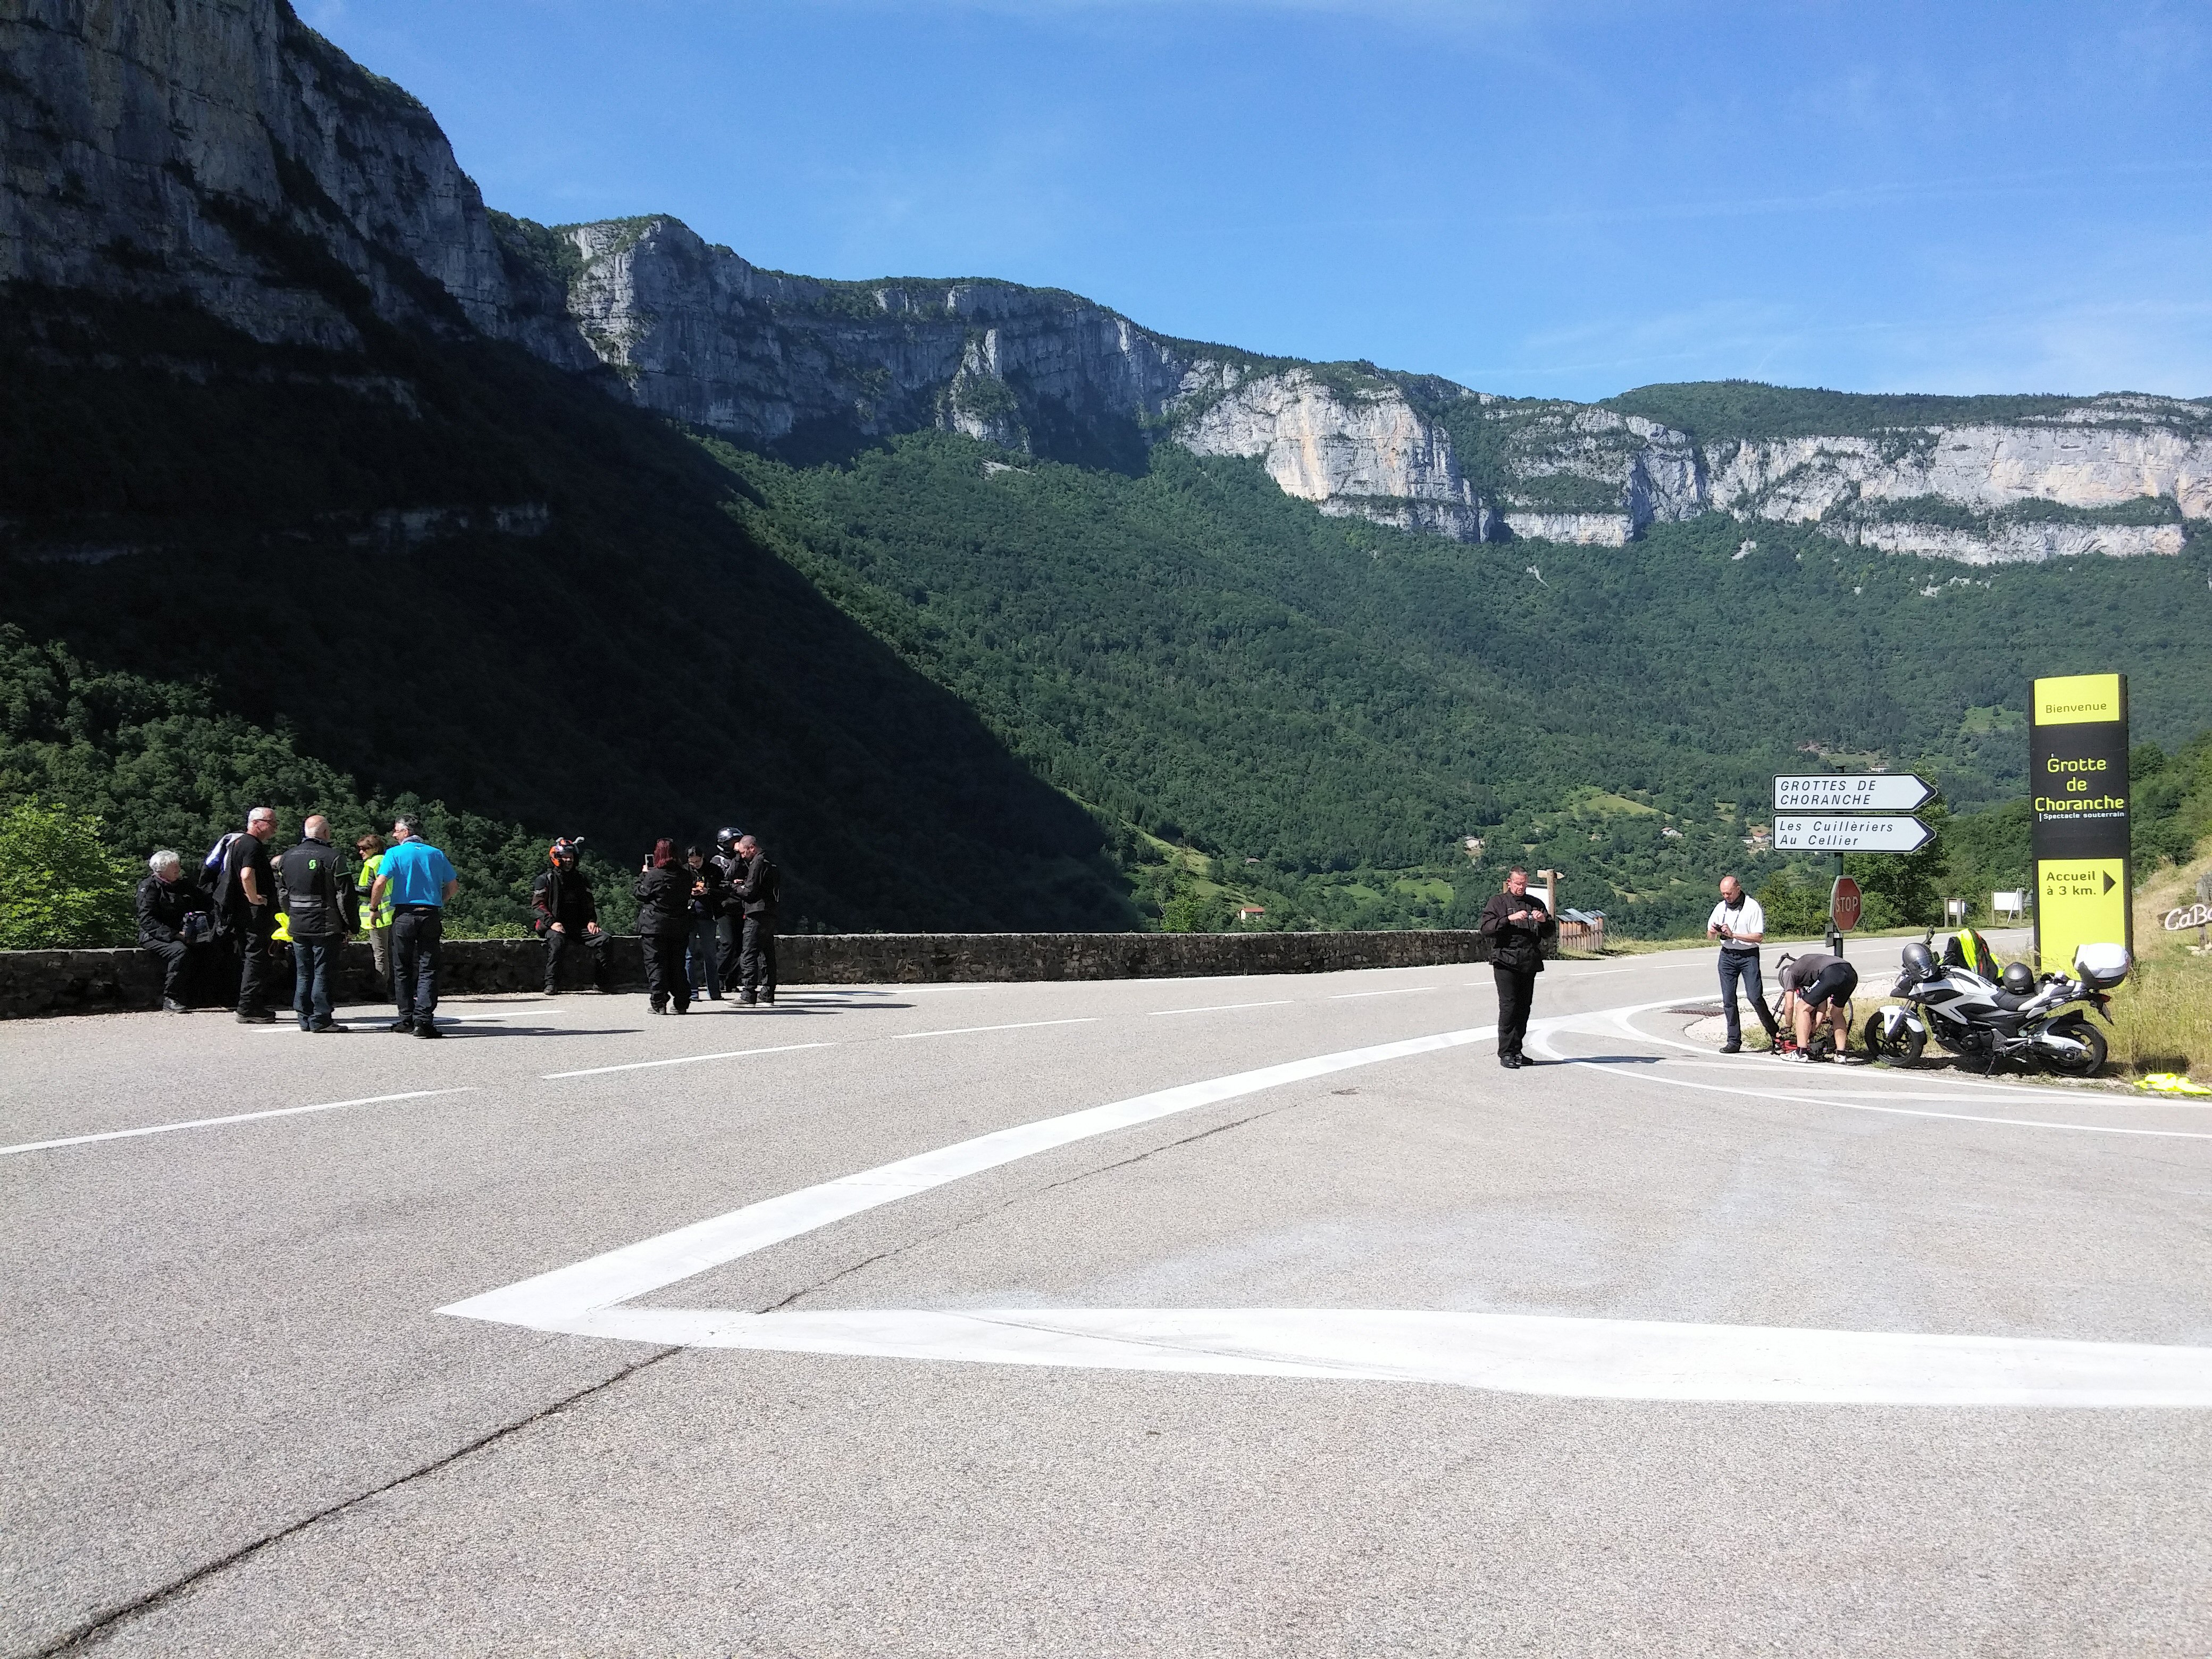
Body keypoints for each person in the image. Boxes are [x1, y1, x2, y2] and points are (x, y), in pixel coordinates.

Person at [369, 815, 458, 1036]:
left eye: (396, 831)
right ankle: (424, 1022)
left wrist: (374, 908)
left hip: (404, 915)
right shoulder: (436, 854)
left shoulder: (394, 854)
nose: (394, 835)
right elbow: (453, 886)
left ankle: (406, 1019)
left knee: (402, 967)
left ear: (406, 832)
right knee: (428, 967)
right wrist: (438, 901)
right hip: (429, 915)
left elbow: (380, 883)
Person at [279, 814, 353, 1033]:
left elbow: (282, 893)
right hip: (325, 925)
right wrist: (350, 925)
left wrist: (291, 915)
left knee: (303, 972)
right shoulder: (333, 857)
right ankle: (321, 1019)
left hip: (298, 924)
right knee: (322, 972)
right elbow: (345, 895)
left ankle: (304, 1018)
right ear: (326, 833)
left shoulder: (287, 857)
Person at [1479, 867, 1555, 1069]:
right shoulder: (1498, 903)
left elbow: (1549, 932)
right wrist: (1508, 919)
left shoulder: (1536, 904)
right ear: (1509, 883)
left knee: (1524, 1008)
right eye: (1518, 883)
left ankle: (1517, 1051)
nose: (1521, 887)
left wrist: (1543, 920)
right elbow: (1486, 929)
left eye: (1524, 884)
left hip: (1528, 961)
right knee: (1509, 1007)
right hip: (1505, 960)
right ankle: (1505, 1052)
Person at [219, 807, 281, 1024]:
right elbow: (247, 875)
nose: (275, 828)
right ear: (256, 823)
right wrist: (254, 898)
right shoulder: (252, 845)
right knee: (257, 957)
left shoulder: (238, 843)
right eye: (271, 823)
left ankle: (251, 1005)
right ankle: (248, 1007)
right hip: (253, 913)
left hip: (240, 911)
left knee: (249, 956)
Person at [1706, 874, 1779, 1054]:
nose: (1726, 897)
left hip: (1748, 956)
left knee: (1755, 997)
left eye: (1729, 893)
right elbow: (1709, 936)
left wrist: (1733, 934)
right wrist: (1714, 932)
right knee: (1728, 1000)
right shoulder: (1720, 907)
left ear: (1738, 889)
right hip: (1727, 955)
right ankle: (1733, 1041)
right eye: (1723, 894)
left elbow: (1758, 937)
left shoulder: (1752, 907)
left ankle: (1775, 1034)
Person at [137, 850, 213, 1012]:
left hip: (185, 932)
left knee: (212, 947)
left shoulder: (184, 885)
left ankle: (205, 996)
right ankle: (171, 998)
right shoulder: (149, 887)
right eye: (174, 867)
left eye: (178, 865)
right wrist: (175, 935)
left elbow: (205, 901)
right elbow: (147, 920)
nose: (178, 869)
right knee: (180, 952)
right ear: (161, 870)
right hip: (154, 935)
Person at [532, 839, 609, 994]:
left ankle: (602, 983)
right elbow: (538, 906)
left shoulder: (581, 879)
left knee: (605, 939)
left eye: (571, 857)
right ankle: (551, 983)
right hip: (553, 925)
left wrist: (591, 921)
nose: (569, 860)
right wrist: (552, 923)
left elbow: (589, 903)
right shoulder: (545, 879)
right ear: (557, 858)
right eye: (565, 857)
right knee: (557, 941)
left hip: (578, 926)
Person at [633, 839, 693, 1015]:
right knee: (677, 964)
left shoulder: (654, 876)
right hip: (679, 925)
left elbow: (640, 893)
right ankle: (682, 1002)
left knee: (656, 964)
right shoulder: (685, 875)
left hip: (654, 926)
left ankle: (659, 1003)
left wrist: (643, 875)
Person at [1775, 950, 1859, 1062]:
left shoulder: (1789, 974)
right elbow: (1822, 1008)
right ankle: (1841, 1055)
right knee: (1836, 1013)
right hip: (1850, 973)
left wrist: (1788, 1025)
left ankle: (1801, 1053)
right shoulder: (1808, 969)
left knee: (1801, 1008)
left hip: (1832, 973)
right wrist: (1813, 1029)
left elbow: (1789, 1005)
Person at [729, 832, 780, 1006]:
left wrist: (734, 887)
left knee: (749, 953)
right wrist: (744, 884)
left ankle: (748, 994)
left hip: (756, 912)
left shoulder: (758, 862)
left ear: (752, 848)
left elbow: (750, 892)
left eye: (743, 852)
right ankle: (767, 994)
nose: (742, 856)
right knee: (767, 955)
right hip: (770, 912)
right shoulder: (769, 860)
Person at [683, 845, 725, 1002]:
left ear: (703, 857)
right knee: (689, 956)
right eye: (692, 862)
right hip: (689, 916)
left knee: (710, 955)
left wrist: (709, 891)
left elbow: (724, 891)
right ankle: (692, 992)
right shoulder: (684, 871)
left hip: (708, 916)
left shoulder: (714, 870)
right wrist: (689, 892)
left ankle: (714, 992)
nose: (695, 865)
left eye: (698, 861)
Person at [355, 832, 393, 994]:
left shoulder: (372, 864)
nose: (361, 852)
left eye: (365, 849)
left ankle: (380, 990)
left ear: (375, 848)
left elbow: (369, 889)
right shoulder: (387, 860)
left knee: (380, 953)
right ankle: (393, 989)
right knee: (390, 952)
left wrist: (349, 888)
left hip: (378, 914)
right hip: (391, 912)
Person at [709, 827, 747, 994]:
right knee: (728, 943)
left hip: (740, 906)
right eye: (733, 842)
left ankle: (732, 981)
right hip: (724, 908)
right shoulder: (717, 861)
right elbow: (724, 880)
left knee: (740, 946)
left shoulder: (743, 860)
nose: (736, 845)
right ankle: (718, 978)